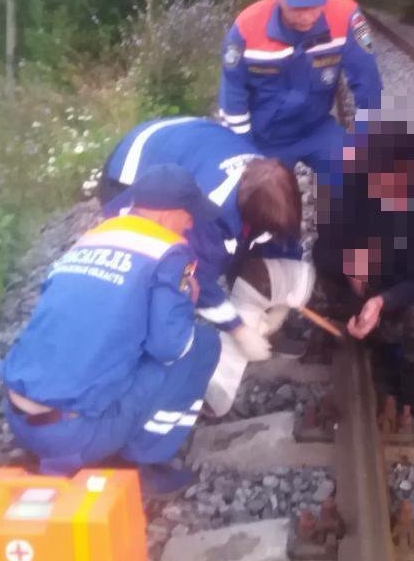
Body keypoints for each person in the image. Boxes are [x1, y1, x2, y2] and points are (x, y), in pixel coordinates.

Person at [0, 164, 222, 498]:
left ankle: (59, 447)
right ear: (165, 215)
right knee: (201, 344)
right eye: (187, 214)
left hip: (17, 418)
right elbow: (169, 347)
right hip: (73, 435)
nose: (190, 224)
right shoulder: (168, 250)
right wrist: (184, 302)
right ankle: (143, 465)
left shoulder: (94, 237)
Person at [98, 117, 313, 413]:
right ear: (246, 216)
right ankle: (145, 364)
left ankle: (256, 322)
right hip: (133, 166)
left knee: (243, 252)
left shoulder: (273, 183)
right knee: (158, 276)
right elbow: (194, 275)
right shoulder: (208, 212)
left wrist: (282, 303)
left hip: (190, 144)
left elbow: (281, 240)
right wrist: (239, 330)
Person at [311, 118, 414, 412]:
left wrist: (381, 301)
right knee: (307, 285)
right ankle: (328, 336)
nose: (381, 188)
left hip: (397, 298)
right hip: (349, 291)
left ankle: (412, 388)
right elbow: (322, 249)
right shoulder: (350, 183)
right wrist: (348, 263)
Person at [217, 0, 382, 174]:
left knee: (359, 176)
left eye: (314, 6)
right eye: (297, 7)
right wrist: (244, 153)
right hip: (263, 137)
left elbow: (368, 82)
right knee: (255, 199)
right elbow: (232, 95)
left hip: (316, 129)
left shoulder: (346, 16)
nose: (307, 16)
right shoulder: (246, 28)